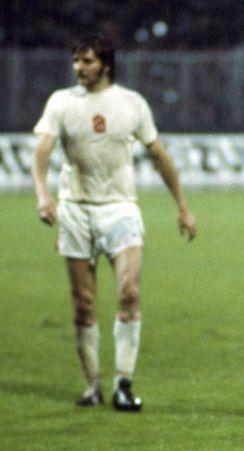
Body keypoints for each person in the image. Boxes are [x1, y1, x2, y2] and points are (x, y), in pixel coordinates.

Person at [31, 35, 197, 412]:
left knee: (129, 292)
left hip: (120, 208)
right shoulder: (61, 102)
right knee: (83, 304)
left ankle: (123, 384)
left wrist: (182, 207)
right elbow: (42, 151)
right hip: (75, 210)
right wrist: (43, 195)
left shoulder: (131, 103)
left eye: (87, 61)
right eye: (76, 61)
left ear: (105, 65)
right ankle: (92, 386)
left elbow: (158, 155)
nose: (79, 68)